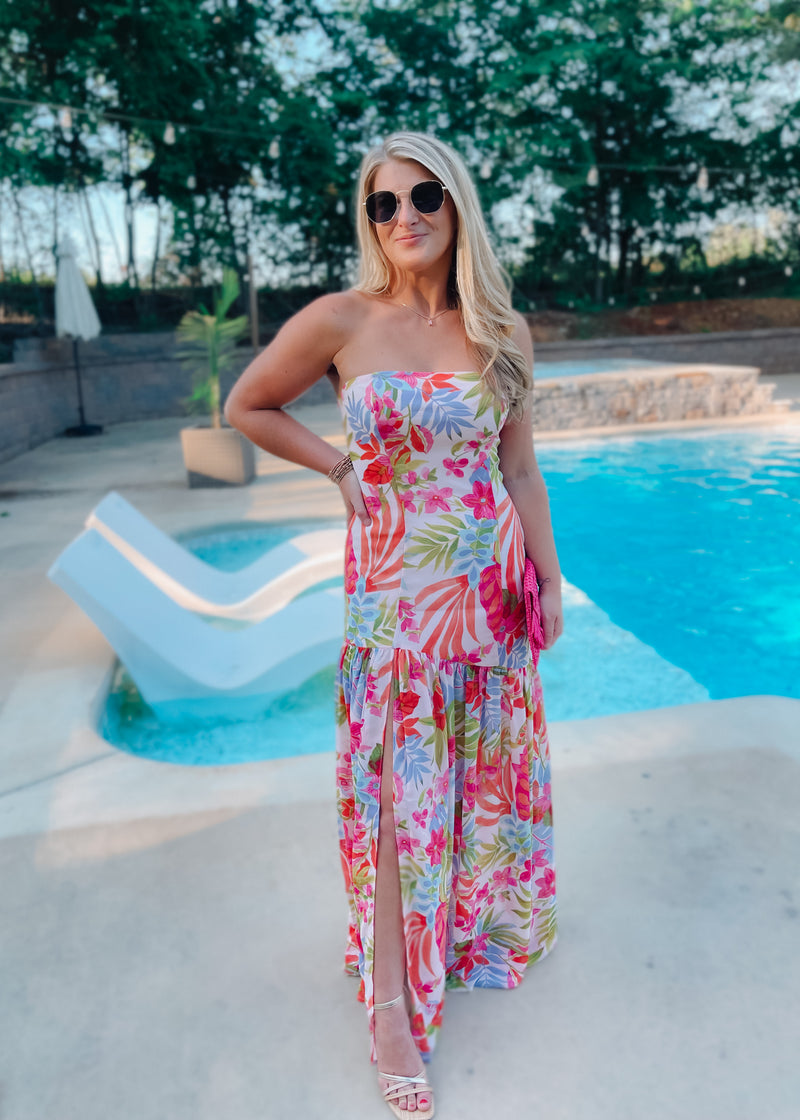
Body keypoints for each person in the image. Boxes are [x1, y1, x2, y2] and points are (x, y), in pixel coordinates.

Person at [224, 130, 563, 1120]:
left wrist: (548, 581)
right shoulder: (340, 319)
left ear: (455, 205)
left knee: (479, 778)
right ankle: (388, 1014)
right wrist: (338, 468)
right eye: (383, 202)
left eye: (422, 196)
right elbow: (249, 404)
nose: (403, 216)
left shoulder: (500, 329)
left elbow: (518, 467)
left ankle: (461, 931)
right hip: (392, 601)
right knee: (393, 797)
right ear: (368, 219)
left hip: (486, 591)